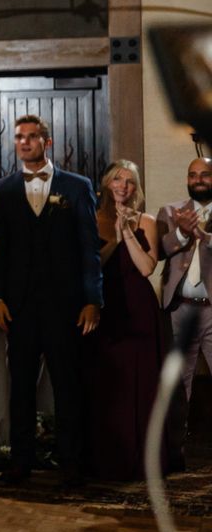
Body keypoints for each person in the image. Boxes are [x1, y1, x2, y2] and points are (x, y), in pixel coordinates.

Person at [0, 114, 103, 486]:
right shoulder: (3, 190)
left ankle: (71, 461)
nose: (24, 142)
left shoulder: (76, 186)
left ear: (46, 142)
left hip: (65, 304)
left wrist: (92, 299)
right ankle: (21, 460)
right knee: (20, 385)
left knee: (68, 384)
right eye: (19, 137)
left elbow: (89, 248)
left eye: (32, 137)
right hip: (18, 306)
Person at [85, 161, 182, 480]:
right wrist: (113, 234)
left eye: (129, 181)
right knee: (108, 384)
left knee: (141, 383)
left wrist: (128, 231)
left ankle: (144, 460)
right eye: (117, 179)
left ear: (136, 188)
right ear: (107, 184)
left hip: (139, 308)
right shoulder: (91, 219)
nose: (123, 186)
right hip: (105, 307)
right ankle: (108, 457)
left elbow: (145, 268)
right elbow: (92, 265)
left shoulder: (148, 221)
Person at [157, 156, 212, 444]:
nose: (198, 180)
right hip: (179, 309)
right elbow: (159, 251)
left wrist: (206, 237)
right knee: (178, 384)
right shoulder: (170, 211)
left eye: (205, 175)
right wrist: (181, 232)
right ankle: (174, 449)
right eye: (193, 175)